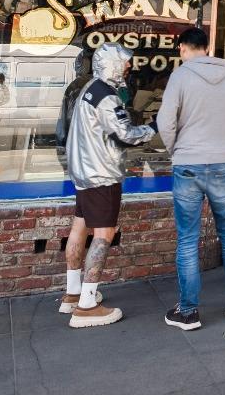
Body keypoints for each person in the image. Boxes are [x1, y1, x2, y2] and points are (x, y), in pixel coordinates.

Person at [156, 26, 225, 331]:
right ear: (207, 46)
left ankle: (188, 311)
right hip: (222, 163)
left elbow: (165, 121)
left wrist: (176, 149)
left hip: (188, 164)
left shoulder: (180, 76)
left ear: (183, 48)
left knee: (188, 238)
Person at [61, 43, 156, 328]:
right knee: (104, 233)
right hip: (101, 173)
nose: (129, 68)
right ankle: (87, 306)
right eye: (125, 63)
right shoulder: (107, 97)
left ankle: (72, 293)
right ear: (113, 64)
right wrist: (155, 127)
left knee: (80, 227)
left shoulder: (91, 88)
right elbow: (125, 134)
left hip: (83, 171)